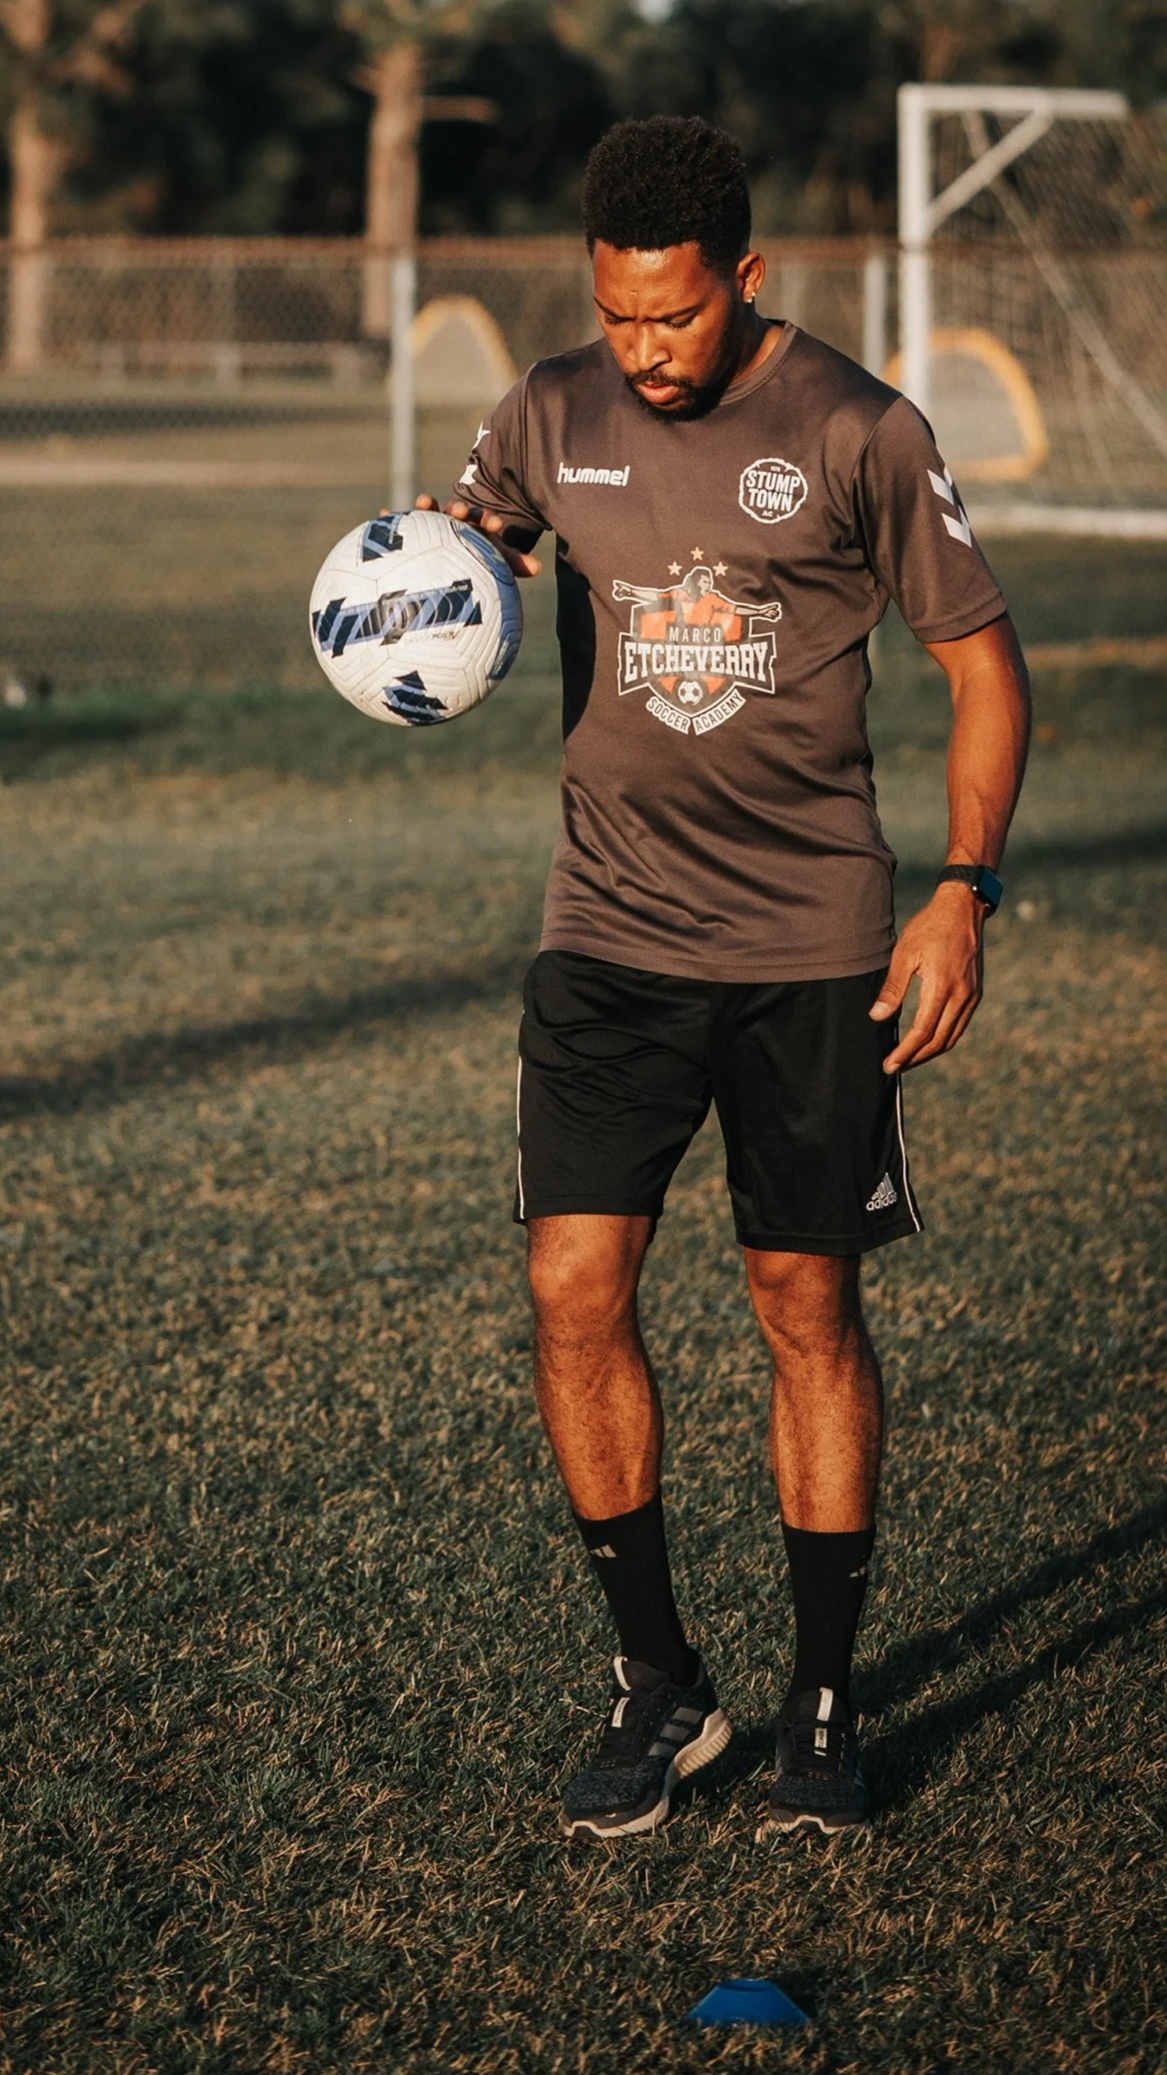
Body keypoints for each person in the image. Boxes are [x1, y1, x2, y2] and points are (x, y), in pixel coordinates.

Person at [418, 115, 1030, 1840]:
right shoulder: (554, 406)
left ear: (744, 279)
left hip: (810, 954)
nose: (641, 352)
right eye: (615, 318)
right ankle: (657, 1685)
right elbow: (477, 537)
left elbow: (983, 670)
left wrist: (962, 892)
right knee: (566, 1290)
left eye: (671, 320)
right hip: (606, 940)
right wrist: (436, 570)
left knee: (803, 1308)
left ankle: (821, 1707)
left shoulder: (857, 429)